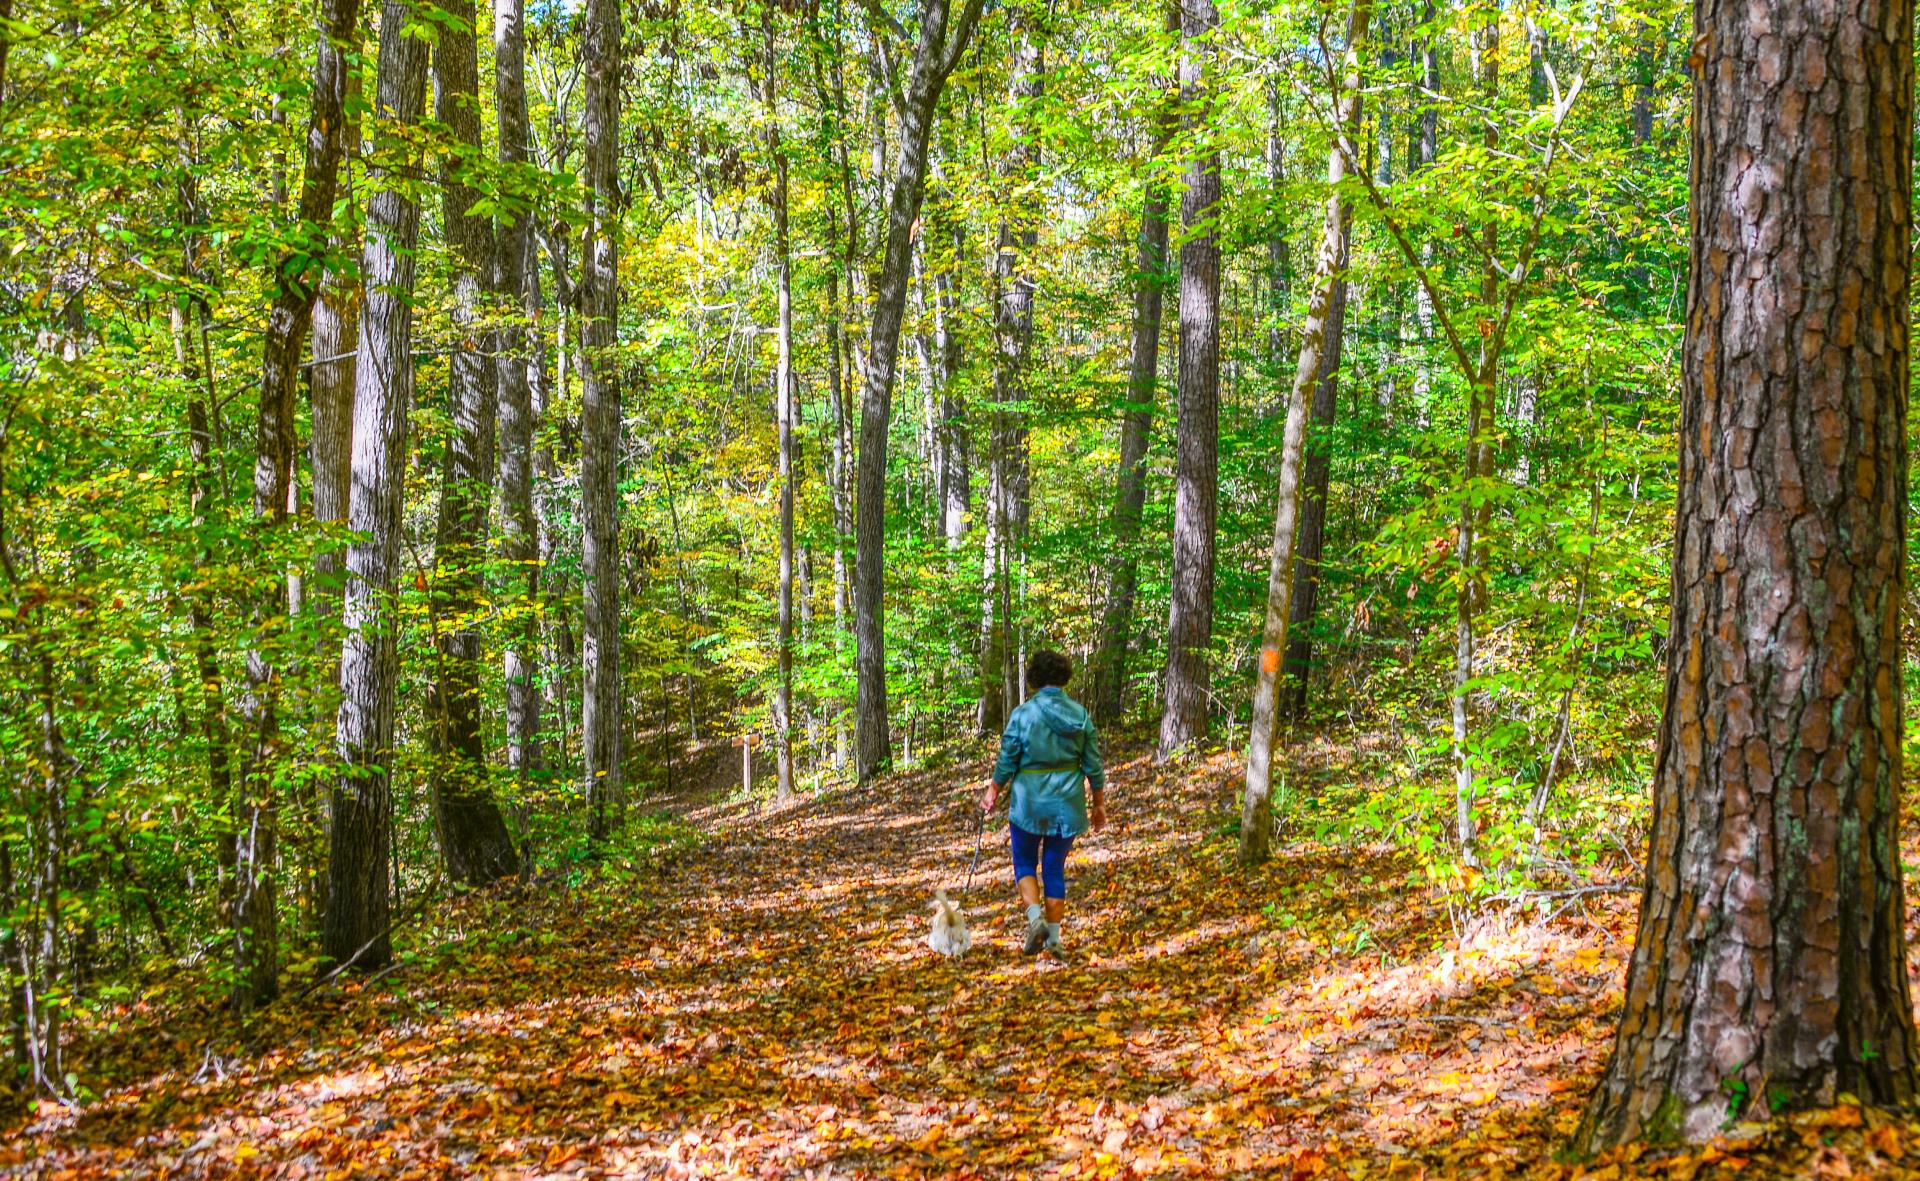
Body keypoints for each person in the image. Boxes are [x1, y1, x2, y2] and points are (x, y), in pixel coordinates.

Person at [978, 649, 1105, 956]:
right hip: (1067, 803)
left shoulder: (1023, 715)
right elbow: (1093, 765)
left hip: (1028, 803)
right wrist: (1098, 804)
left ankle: (1035, 919)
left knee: (1024, 863)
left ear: (1034, 679)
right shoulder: (1080, 714)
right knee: (1054, 868)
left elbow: (1007, 760)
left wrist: (992, 792)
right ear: (1064, 677)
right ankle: (1054, 939)